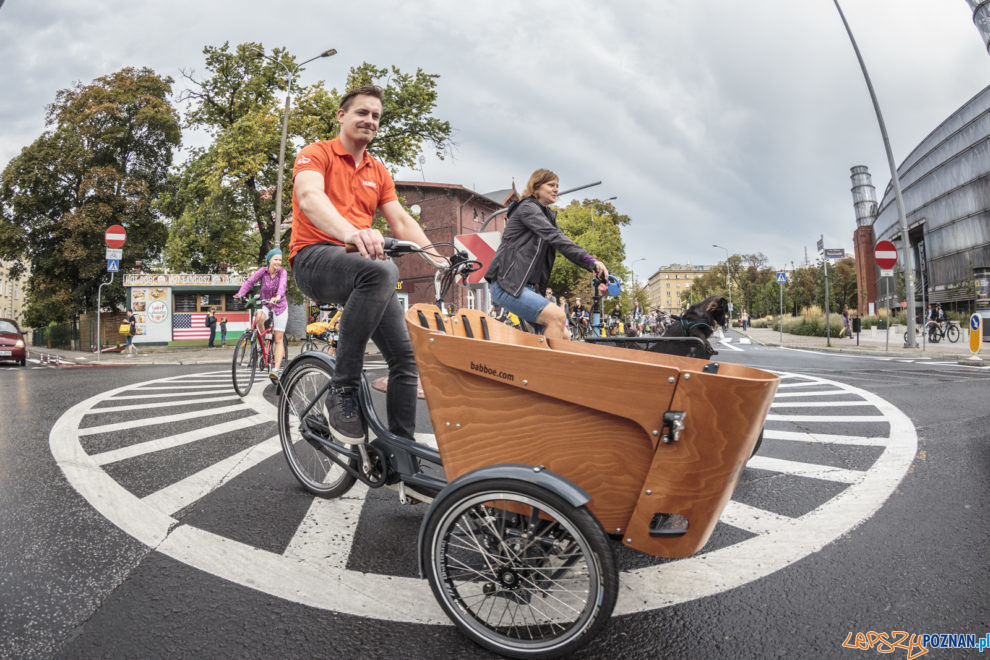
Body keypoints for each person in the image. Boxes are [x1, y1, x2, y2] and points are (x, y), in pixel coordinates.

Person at [289, 85, 434, 444]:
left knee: (406, 360)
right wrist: (352, 233)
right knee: (383, 269)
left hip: (362, 268)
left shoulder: (378, 171)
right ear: (341, 115)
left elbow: (400, 219)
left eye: (376, 116)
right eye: (362, 113)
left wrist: (440, 257)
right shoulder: (315, 154)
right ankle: (343, 389)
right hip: (314, 258)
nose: (370, 120)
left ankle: (402, 451)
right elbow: (309, 198)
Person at [484, 169, 608, 341]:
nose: (556, 189)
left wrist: (592, 268)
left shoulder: (546, 216)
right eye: (551, 185)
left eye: (557, 185)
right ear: (536, 187)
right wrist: (590, 261)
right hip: (508, 284)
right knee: (557, 316)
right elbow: (556, 237)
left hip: (525, 287)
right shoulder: (528, 208)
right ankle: (542, 367)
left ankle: (554, 364)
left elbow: (564, 242)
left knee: (565, 335)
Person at [236, 249, 289, 379]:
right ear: (269, 260)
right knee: (259, 316)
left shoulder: (282, 272)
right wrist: (240, 294)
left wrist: (278, 296)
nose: (278, 262)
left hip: (280, 306)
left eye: (280, 260)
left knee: (278, 338)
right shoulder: (263, 271)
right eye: (276, 259)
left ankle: (275, 370)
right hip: (266, 304)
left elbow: (282, 285)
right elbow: (250, 282)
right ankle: (262, 343)